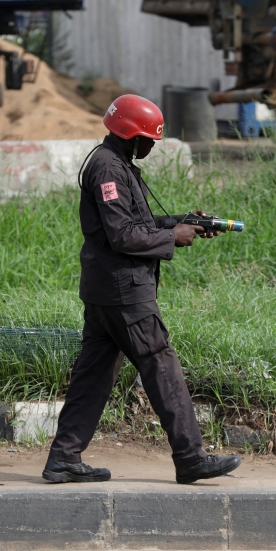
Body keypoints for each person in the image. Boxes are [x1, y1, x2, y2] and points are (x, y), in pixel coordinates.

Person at [42, 94, 241, 485]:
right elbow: (123, 236)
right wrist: (174, 239)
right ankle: (190, 457)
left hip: (106, 291)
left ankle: (64, 457)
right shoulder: (108, 170)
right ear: (131, 136)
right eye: (148, 139)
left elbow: (139, 222)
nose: (152, 145)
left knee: (94, 375)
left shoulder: (117, 163)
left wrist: (182, 222)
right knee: (161, 364)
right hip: (123, 292)